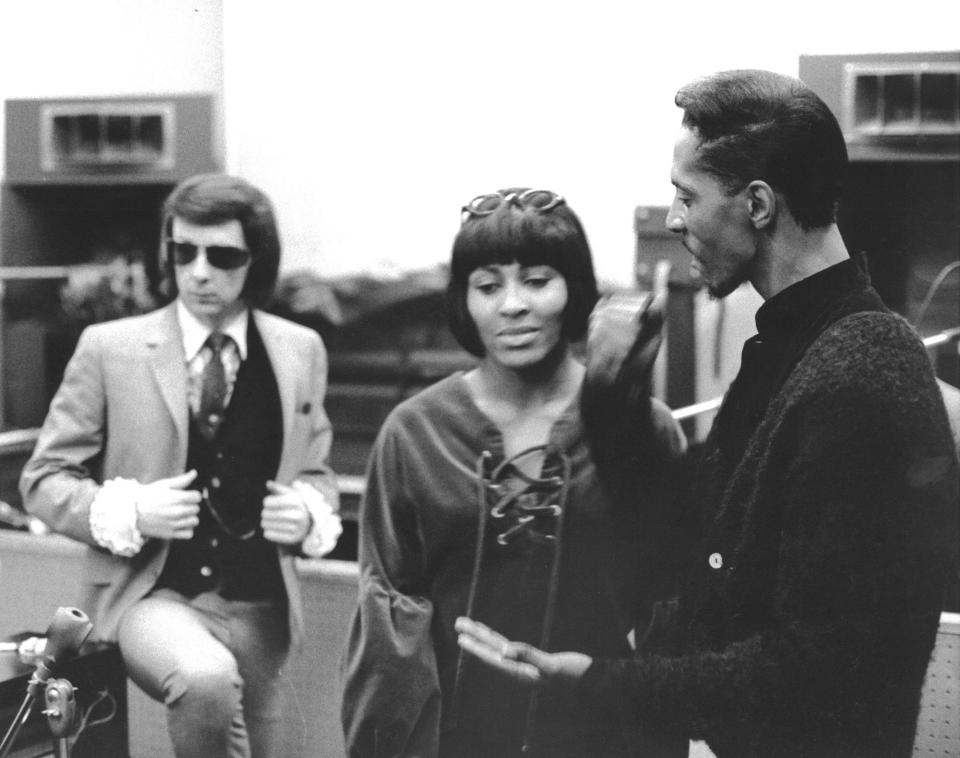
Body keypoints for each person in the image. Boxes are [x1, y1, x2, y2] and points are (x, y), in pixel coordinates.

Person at [457, 70, 960, 758]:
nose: (672, 219)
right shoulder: (793, 347)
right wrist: (616, 405)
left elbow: (810, 667)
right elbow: (702, 546)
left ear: (757, 204)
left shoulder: (858, 376)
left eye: (686, 196)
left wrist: (600, 684)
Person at [340, 188, 686, 757]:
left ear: (574, 288)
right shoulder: (414, 433)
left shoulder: (643, 429)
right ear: (465, 301)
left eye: (537, 280)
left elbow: (668, 611)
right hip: (454, 740)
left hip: (600, 737)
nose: (512, 305)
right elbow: (386, 630)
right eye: (488, 285)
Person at [20, 173, 342, 758]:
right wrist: (131, 510)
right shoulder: (108, 347)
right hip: (154, 595)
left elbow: (315, 470)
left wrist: (307, 513)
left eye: (223, 256)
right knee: (203, 678)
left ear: (256, 259)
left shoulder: (300, 349)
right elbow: (42, 481)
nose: (199, 271)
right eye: (184, 251)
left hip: (262, 608)